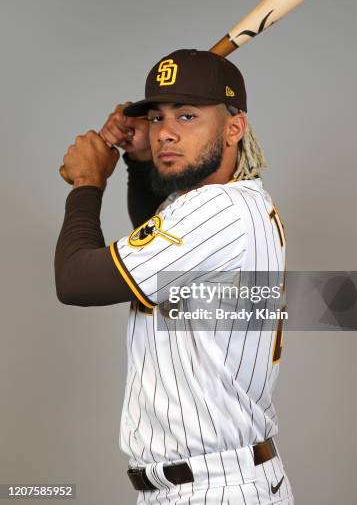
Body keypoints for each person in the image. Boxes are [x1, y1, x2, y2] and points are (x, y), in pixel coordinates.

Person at [55, 49, 294, 504]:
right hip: (219, 480)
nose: (165, 132)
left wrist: (88, 182)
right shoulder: (231, 203)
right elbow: (152, 237)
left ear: (233, 128)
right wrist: (137, 160)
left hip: (215, 489)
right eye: (158, 118)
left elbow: (75, 281)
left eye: (187, 116)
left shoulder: (215, 209)